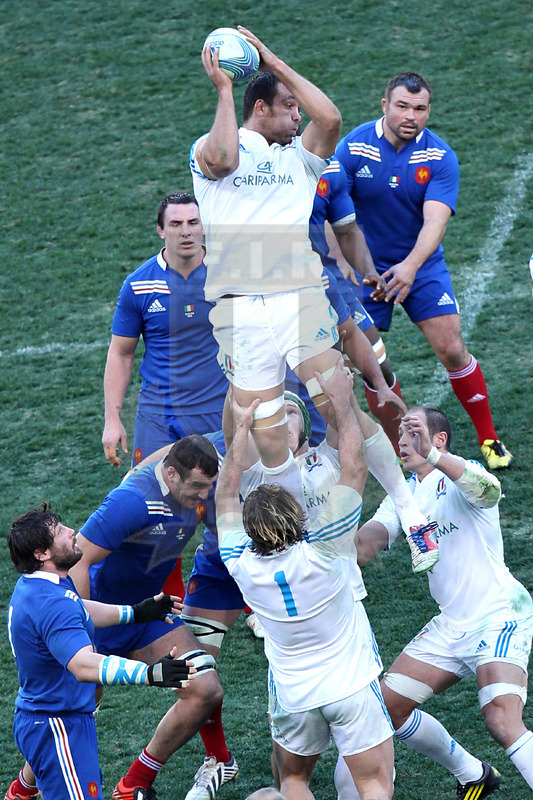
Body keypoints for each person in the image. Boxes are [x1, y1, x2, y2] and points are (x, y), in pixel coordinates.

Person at [215, 360, 395, 800]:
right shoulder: (327, 549)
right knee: (373, 783)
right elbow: (354, 466)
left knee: (291, 782)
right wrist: (342, 401)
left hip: (295, 695)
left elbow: (224, 493)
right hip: (349, 684)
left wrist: (240, 433)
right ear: (298, 520)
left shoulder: (239, 561)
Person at [339, 406, 533, 798]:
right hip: (451, 625)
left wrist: (435, 458)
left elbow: (489, 490)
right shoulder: (403, 495)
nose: (403, 440)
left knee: (500, 717)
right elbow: (364, 546)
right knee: (382, 712)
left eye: (413, 430)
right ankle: (472, 772)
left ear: (438, 439)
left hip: (499, 615)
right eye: (401, 433)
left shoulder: (463, 473)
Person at [190, 26, 344, 510]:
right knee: (257, 423)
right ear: (260, 109)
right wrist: (223, 90)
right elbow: (223, 157)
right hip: (242, 310)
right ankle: (277, 515)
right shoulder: (210, 148)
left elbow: (331, 118)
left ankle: (400, 505)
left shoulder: (301, 160)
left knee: (339, 410)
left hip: (296, 299)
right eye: (289, 107)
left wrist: (273, 62)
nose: (300, 116)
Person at [336, 71, 513, 470]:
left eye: (419, 108)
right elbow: (333, 214)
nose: (410, 115)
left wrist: (411, 268)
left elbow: (435, 222)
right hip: (366, 270)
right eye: (402, 106)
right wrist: (351, 266)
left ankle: (488, 436)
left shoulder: (438, 156)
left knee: (451, 347)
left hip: (421, 263)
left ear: (428, 110)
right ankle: (400, 445)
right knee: (370, 364)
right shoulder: (353, 148)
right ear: (385, 106)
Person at [68, 436, 238, 800]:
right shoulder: (131, 501)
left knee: (204, 689)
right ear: (172, 475)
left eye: (209, 487)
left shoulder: (199, 491)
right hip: (100, 619)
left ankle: (134, 784)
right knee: (72, 717)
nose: (204, 497)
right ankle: (22, 789)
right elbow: (78, 557)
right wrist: (82, 633)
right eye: (197, 487)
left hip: (147, 615)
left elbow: (227, 535)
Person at [5, 504, 194, 800]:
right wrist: (148, 674)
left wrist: (135, 613)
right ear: (41, 554)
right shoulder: (52, 604)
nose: (71, 532)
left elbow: (77, 609)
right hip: (59, 726)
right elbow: (83, 665)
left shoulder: (39, 585)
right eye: (59, 532)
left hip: (48, 719)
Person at [102, 191, 228, 469]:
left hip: (218, 410)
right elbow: (121, 353)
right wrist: (112, 419)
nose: (186, 232)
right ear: (161, 230)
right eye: (176, 224)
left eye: (193, 223)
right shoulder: (138, 285)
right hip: (158, 417)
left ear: (204, 227)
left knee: (218, 502)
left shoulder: (229, 276)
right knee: (152, 501)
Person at [309, 158, 406, 453]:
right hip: (281, 287)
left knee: (378, 362)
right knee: (311, 380)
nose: (295, 118)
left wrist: (369, 270)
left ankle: (399, 447)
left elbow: (346, 229)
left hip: (330, 282)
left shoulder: (331, 170)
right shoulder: (255, 170)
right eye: (288, 109)